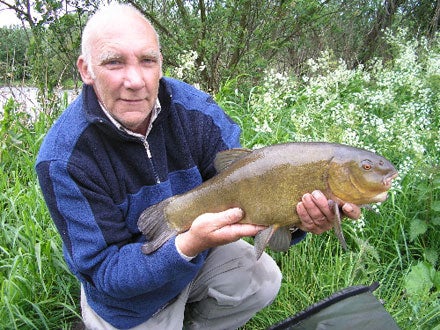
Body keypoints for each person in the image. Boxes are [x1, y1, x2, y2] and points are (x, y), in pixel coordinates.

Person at [36, 3, 360, 330]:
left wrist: (298, 222)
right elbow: (106, 273)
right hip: (128, 302)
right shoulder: (63, 158)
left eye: (147, 60)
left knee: (262, 278)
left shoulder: (194, 111)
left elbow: (253, 191)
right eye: (114, 62)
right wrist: (188, 244)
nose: (134, 80)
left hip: (195, 259)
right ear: (86, 69)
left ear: (161, 63)